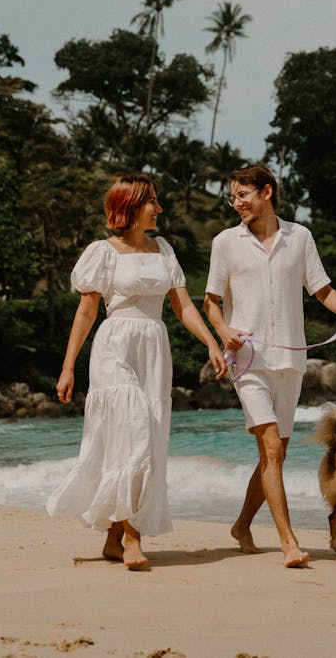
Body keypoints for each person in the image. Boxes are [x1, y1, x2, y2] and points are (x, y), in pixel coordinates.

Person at [46, 174, 227, 570]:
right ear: (129, 207)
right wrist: (68, 367)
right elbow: (87, 311)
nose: (159, 209)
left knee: (147, 437)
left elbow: (184, 307)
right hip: (115, 347)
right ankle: (132, 539)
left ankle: (114, 536)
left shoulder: (164, 250)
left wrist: (212, 342)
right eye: (152, 202)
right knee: (135, 435)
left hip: (154, 348)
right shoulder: (102, 252)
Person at [204, 163, 336, 568]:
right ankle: (289, 542)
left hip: (292, 360)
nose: (236, 203)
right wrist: (224, 330)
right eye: (233, 197)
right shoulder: (225, 242)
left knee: (272, 456)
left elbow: (321, 288)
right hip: (248, 361)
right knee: (272, 450)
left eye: (242, 195)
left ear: (266, 192)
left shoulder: (300, 238)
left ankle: (242, 525)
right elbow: (210, 300)